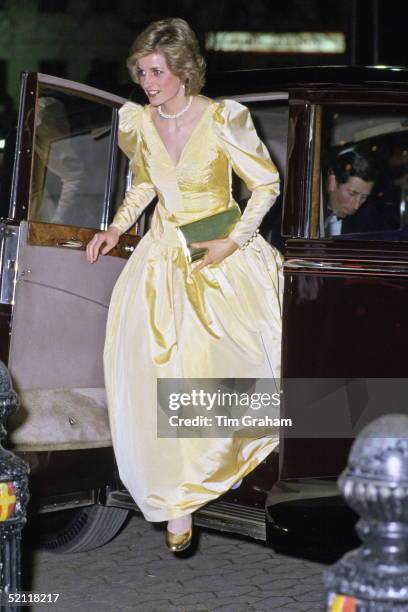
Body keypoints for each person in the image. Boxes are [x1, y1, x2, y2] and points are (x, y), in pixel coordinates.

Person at [86, 18, 283, 553]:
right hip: (163, 256)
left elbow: (265, 184)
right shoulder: (138, 121)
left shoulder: (223, 117)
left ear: (184, 72)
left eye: (157, 71)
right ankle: (176, 499)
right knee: (152, 371)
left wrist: (234, 242)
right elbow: (145, 184)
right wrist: (115, 229)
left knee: (224, 364)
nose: (147, 82)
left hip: (220, 249)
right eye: (142, 71)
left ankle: (219, 468)